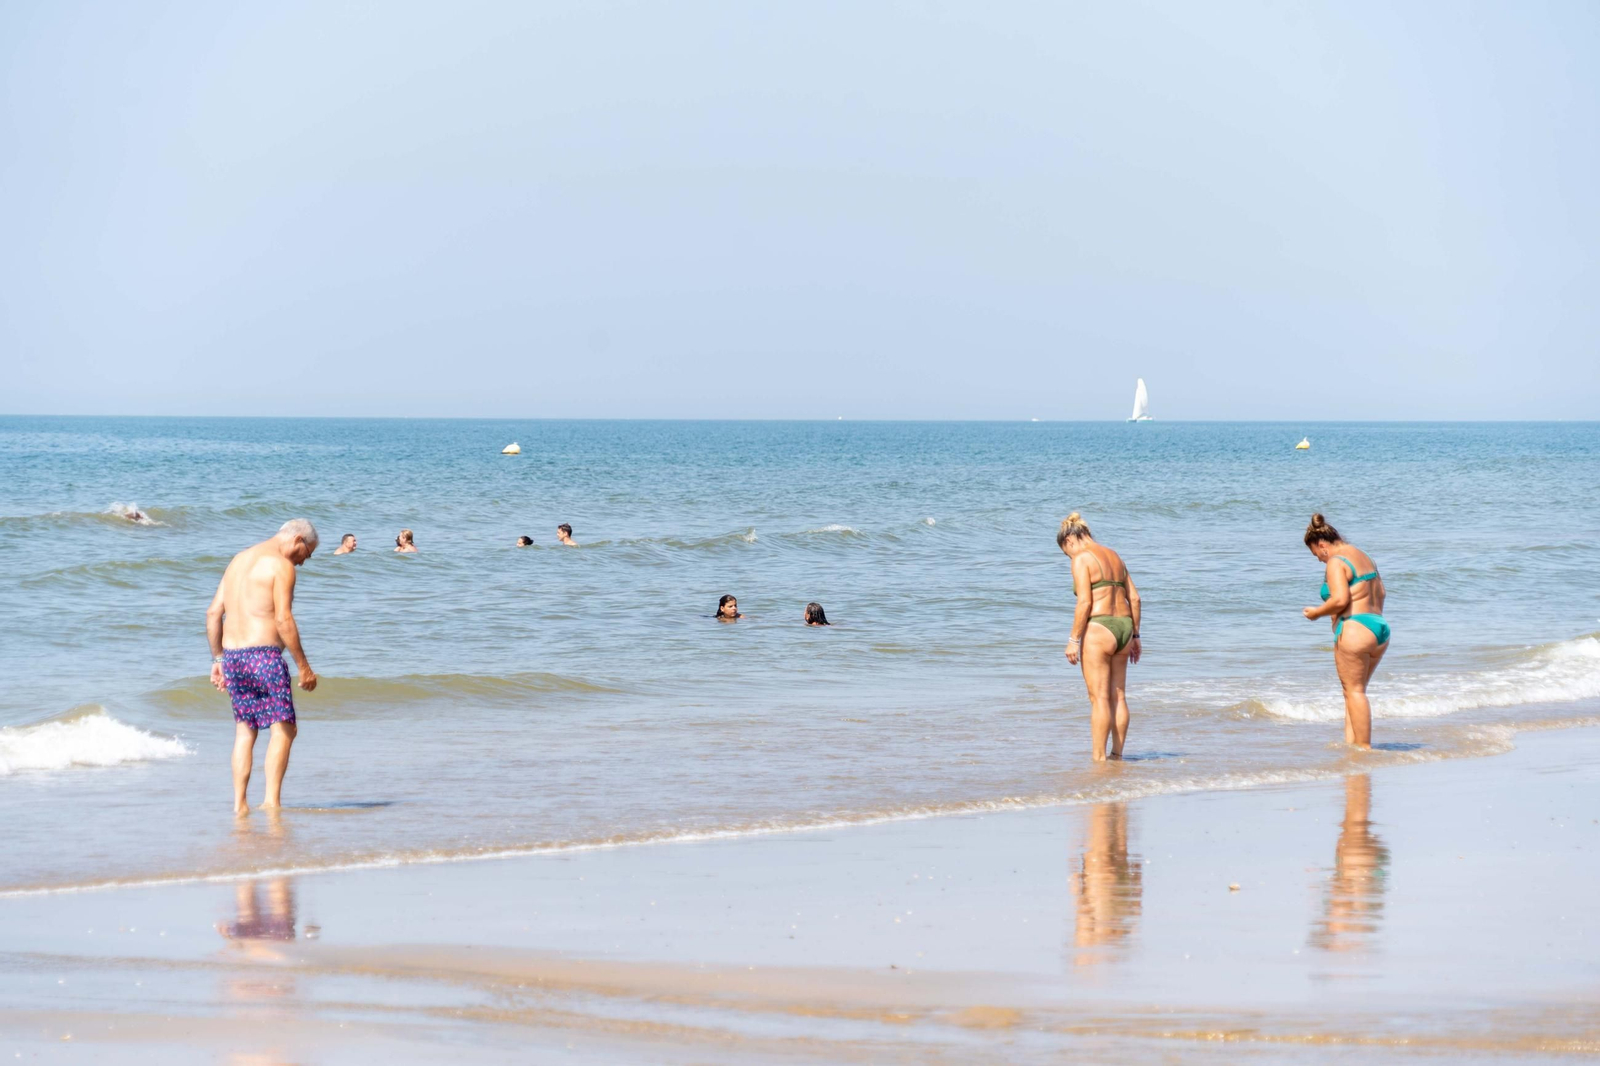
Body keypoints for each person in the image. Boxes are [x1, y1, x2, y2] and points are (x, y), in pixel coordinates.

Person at [206, 519, 319, 814]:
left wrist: (218, 659)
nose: (303, 562)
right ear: (298, 539)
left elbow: (213, 613)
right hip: (264, 657)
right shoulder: (281, 566)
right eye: (307, 554)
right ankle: (271, 803)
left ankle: (240, 805)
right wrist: (304, 666)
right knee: (284, 729)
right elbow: (283, 619)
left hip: (233, 657)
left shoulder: (237, 560)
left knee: (245, 731)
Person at [1057, 513, 1141, 761]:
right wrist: (1136, 636)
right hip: (1125, 627)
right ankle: (1117, 755)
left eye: (1067, 553)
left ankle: (1099, 760)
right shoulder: (1115, 556)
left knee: (1100, 698)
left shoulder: (1081, 558)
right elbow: (1135, 598)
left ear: (1070, 540)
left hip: (1099, 627)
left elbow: (1084, 602)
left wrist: (1073, 640)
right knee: (1119, 695)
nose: (1070, 557)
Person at [1301, 513, 1389, 749]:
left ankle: (1364, 749)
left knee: (1354, 692)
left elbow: (1340, 600)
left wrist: (1317, 613)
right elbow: (1381, 592)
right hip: (1379, 628)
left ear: (1322, 545)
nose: (1319, 560)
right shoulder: (1364, 556)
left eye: (1316, 554)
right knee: (1353, 693)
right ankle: (1353, 746)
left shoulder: (1336, 561)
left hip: (1355, 629)